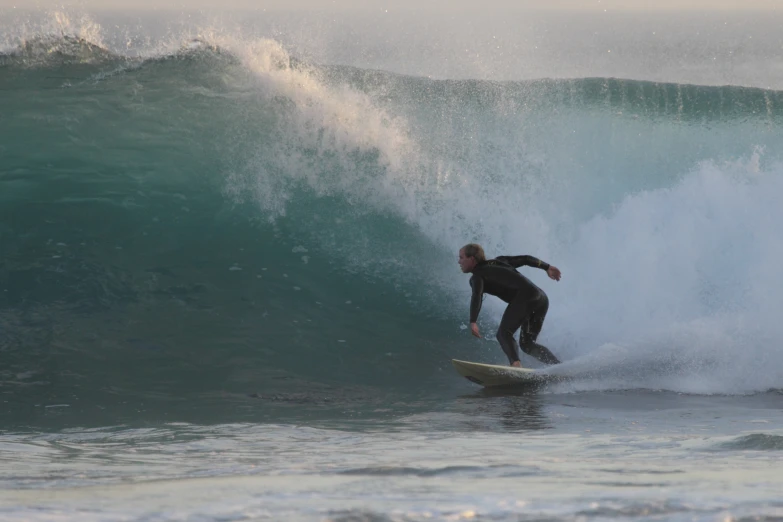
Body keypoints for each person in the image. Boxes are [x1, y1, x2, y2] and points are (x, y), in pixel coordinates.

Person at [458, 243, 562, 367]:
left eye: (461, 257)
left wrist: (473, 321)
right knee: (527, 345)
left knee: (503, 333)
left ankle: (515, 364)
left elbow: (477, 295)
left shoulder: (477, 276)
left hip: (526, 298)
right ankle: (559, 367)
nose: (459, 262)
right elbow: (526, 259)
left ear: (472, 259)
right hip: (541, 299)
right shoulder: (500, 261)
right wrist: (547, 267)